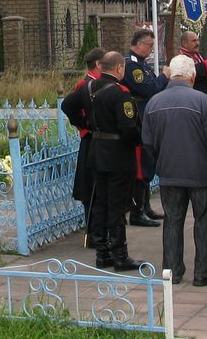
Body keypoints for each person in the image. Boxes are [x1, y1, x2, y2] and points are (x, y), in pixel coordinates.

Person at [142, 55, 207, 287]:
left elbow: (147, 142)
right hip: (200, 171)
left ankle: (172, 271)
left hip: (169, 172)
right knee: (205, 220)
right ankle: (205, 272)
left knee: (173, 221)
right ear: (192, 75)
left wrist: (162, 160)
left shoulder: (154, 102)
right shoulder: (203, 101)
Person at [86, 51, 146, 272]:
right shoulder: (121, 93)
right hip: (118, 154)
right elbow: (128, 127)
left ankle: (102, 252)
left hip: (97, 151)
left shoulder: (91, 87)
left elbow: (74, 107)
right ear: (119, 68)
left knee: (101, 203)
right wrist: (141, 140)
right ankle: (120, 254)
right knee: (117, 205)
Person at [123, 28, 170, 227]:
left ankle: (145, 206)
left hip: (147, 117)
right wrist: (165, 76)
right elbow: (149, 89)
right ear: (139, 44)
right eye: (149, 45)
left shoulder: (142, 65)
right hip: (140, 117)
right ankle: (137, 212)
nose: (151, 50)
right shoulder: (132, 66)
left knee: (148, 165)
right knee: (141, 167)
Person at [61, 47, 105, 245]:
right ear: (98, 64)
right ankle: (93, 231)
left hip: (100, 140)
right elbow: (68, 106)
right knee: (91, 188)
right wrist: (84, 125)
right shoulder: (85, 84)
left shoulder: (99, 83)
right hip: (91, 140)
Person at [178, 30, 207, 101]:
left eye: (198, 40)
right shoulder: (182, 58)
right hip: (194, 98)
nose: (197, 43)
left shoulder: (198, 55)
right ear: (184, 43)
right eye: (194, 41)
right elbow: (195, 70)